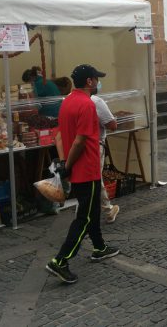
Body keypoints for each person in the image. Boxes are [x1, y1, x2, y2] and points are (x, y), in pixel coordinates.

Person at [46, 64, 119, 284]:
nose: (98, 82)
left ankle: (99, 247)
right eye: (96, 78)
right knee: (84, 217)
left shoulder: (67, 101)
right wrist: (68, 164)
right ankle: (60, 260)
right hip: (86, 167)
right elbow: (80, 140)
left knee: (92, 209)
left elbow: (60, 136)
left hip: (77, 167)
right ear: (89, 81)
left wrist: (64, 163)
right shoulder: (87, 105)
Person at [91, 87, 121, 224]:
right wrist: (114, 118)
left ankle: (87, 212)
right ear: (90, 81)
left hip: (76, 145)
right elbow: (112, 125)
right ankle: (108, 210)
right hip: (94, 145)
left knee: (89, 179)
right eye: (96, 79)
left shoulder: (69, 98)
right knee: (95, 179)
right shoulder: (96, 101)